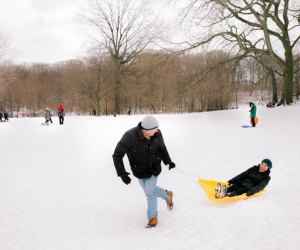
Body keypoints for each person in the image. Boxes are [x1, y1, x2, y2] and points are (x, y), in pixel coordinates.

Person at [112, 115, 176, 228]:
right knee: (149, 191)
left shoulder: (157, 134)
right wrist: (122, 173)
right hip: (139, 170)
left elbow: (162, 148)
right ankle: (167, 195)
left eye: (157, 128)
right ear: (146, 130)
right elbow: (117, 155)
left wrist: (168, 162)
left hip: (153, 167)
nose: (157, 130)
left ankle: (152, 217)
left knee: (149, 193)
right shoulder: (129, 137)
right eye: (154, 128)